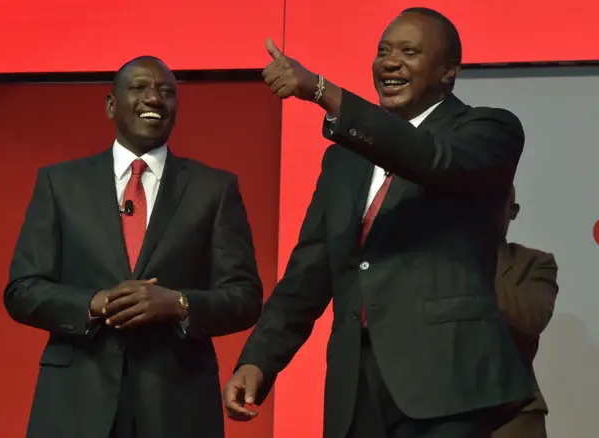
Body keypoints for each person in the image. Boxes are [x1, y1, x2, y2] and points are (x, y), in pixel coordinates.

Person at [224, 7, 535, 438]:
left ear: (449, 71)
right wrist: (258, 360)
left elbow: (430, 159)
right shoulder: (344, 157)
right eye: (383, 50)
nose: (390, 62)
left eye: (409, 51)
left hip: (446, 385)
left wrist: (321, 90)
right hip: (357, 387)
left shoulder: (488, 129)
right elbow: (308, 273)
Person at [4, 55, 263, 438]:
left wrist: (177, 304)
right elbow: (22, 290)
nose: (154, 99)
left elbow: (244, 297)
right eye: (139, 88)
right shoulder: (61, 184)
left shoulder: (215, 189)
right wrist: (97, 303)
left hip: (178, 405)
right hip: (76, 404)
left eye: (166, 92)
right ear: (112, 105)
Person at [493, 186, 559, 438]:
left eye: (493, 196)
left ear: (513, 210)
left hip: (512, 418)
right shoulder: (433, 263)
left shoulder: (534, 263)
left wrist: (474, 258)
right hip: (433, 414)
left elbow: (529, 320)